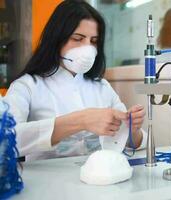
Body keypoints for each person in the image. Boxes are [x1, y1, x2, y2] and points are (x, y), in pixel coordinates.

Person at [4, 0, 146, 161]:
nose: (88, 49)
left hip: (100, 178)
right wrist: (81, 120)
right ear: (56, 39)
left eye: (93, 41)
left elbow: (134, 142)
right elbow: (6, 140)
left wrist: (132, 130)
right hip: (48, 183)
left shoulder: (102, 86)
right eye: (78, 38)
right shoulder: (27, 85)